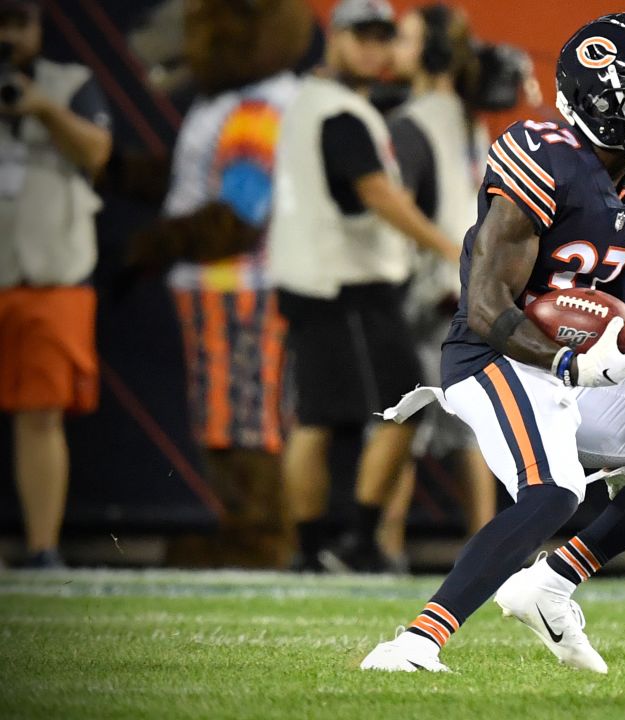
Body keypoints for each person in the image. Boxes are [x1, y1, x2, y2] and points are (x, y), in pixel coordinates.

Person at [359, 13, 625, 674]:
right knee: (555, 490)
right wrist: (567, 360)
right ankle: (414, 642)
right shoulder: (540, 155)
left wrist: (611, 363)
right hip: (491, 359)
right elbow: (483, 306)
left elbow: (612, 300)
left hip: (568, 371)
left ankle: (553, 581)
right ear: (598, 102)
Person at [266, 0, 458, 573]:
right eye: (362, 36)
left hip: (313, 278)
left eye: (383, 37)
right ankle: (358, 541)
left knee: (320, 418)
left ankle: (310, 549)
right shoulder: (342, 113)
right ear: (336, 36)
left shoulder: (308, 102)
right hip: (346, 283)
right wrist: (448, 246)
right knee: (406, 404)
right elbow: (377, 193)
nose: (373, 49)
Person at [139, 0, 311, 569]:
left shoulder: (262, 104)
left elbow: (241, 211)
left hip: (240, 284)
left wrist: (154, 244)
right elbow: (191, 180)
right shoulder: (229, 101)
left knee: (243, 415)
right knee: (227, 414)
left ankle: (260, 537)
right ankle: (247, 532)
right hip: (222, 284)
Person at [0, 0, 112, 569]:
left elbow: (97, 152)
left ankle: (43, 547)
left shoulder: (71, 84)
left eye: (22, 24)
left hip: (50, 276)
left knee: (42, 414)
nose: (11, 36)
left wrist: (43, 108)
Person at [383, 3, 495, 565]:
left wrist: (438, 248)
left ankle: (386, 545)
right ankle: (493, 546)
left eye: (406, 39)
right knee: (470, 426)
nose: (394, 50)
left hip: (429, 289)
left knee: (401, 419)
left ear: (430, 52)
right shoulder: (474, 116)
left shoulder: (412, 121)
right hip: (475, 285)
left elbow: (392, 202)